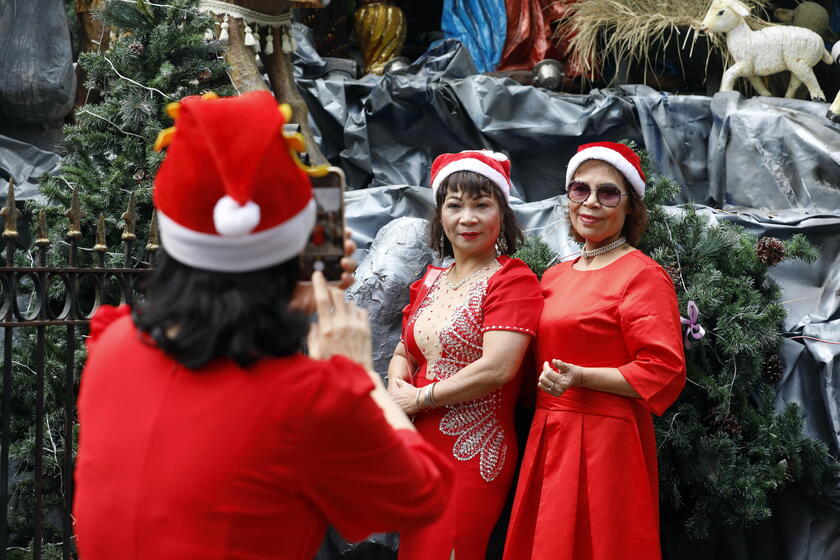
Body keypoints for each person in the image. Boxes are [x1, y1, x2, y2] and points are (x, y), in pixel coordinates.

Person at [73, 91, 453, 560]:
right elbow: (420, 495)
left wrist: (282, 296)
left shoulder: (114, 345)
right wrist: (354, 375)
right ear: (289, 254)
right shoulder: (304, 399)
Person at [503, 142, 686, 560]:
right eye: (580, 190)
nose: (590, 202)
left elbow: (664, 369)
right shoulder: (553, 276)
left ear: (629, 207)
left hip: (608, 441)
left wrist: (581, 377)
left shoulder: (642, 275)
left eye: (608, 193)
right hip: (548, 433)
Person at [387, 150, 544, 560]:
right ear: (440, 216)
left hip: (470, 449)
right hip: (417, 447)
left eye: (481, 205)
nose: (467, 218)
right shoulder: (432, 280)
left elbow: (498, 367)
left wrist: (419, 398)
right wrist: (395, 387)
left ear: (502, 216)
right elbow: (406, 347)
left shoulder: (512, 280)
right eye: (454, 205)